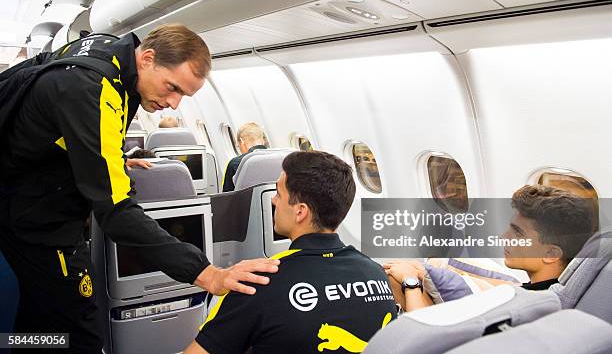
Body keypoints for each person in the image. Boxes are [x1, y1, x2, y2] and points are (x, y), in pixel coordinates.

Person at [0, 24, 278, 352]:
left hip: (27, 189)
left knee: (41, 312)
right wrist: (205, 273)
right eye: (172, 87)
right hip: (36, 218)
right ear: (147, 58)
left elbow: (68, 124)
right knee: (81, 330)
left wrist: (106, 158)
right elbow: (117, 212)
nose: (174, 104)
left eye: (184, 96)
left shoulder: (111, 53)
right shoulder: (91, 88)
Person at [185, 151, 397, 354]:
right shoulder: (376, 272)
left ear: (300, 212)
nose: (273, 200)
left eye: (279, 193)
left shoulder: (256, 282)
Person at [384, 184, 596, 311]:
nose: (504, 236)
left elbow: (421, 343)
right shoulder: (566, 286)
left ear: (550, 254)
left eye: (517, 232)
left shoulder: (522, 308)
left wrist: (410, 282)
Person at [222, 122, 268, 192]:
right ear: (263, 140)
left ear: (242, 141)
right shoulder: (277, 158)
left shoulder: (235, 163)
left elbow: (226, 196)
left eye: (238, 145)